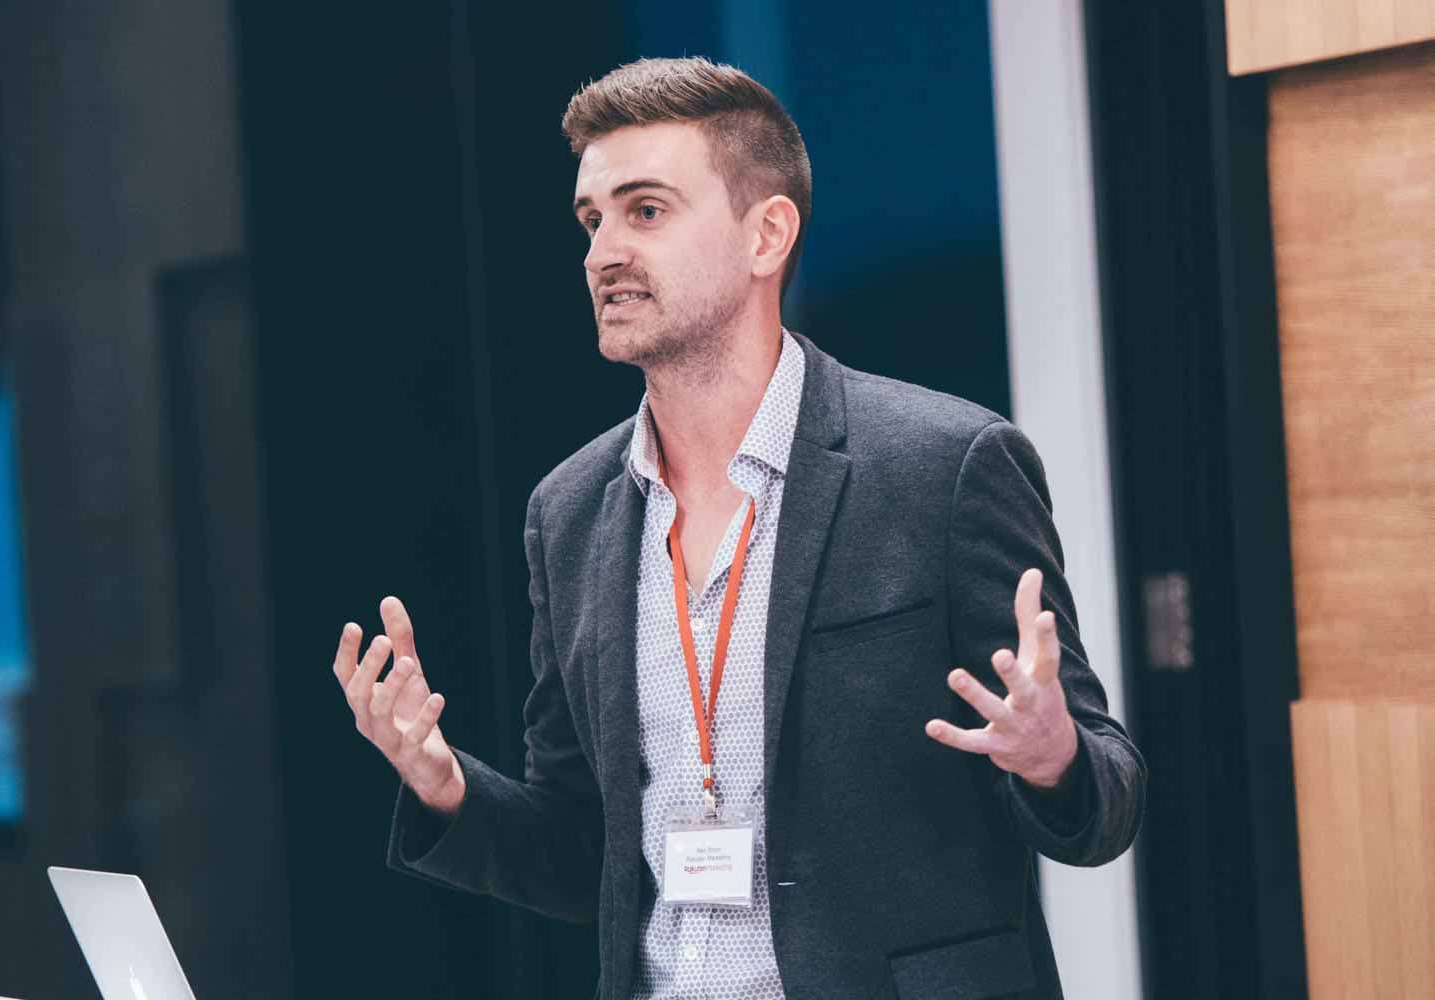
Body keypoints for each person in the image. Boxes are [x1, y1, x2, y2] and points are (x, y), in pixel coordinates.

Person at [332, 56, 1145, 1000]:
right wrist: (443, 781)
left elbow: (1107, 799)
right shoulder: (570, 513)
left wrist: (1053, 756)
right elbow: (580, 850)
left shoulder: (945, 467)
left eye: (645, 211)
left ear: (767, 235)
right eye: (591, 220)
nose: (601, 253)